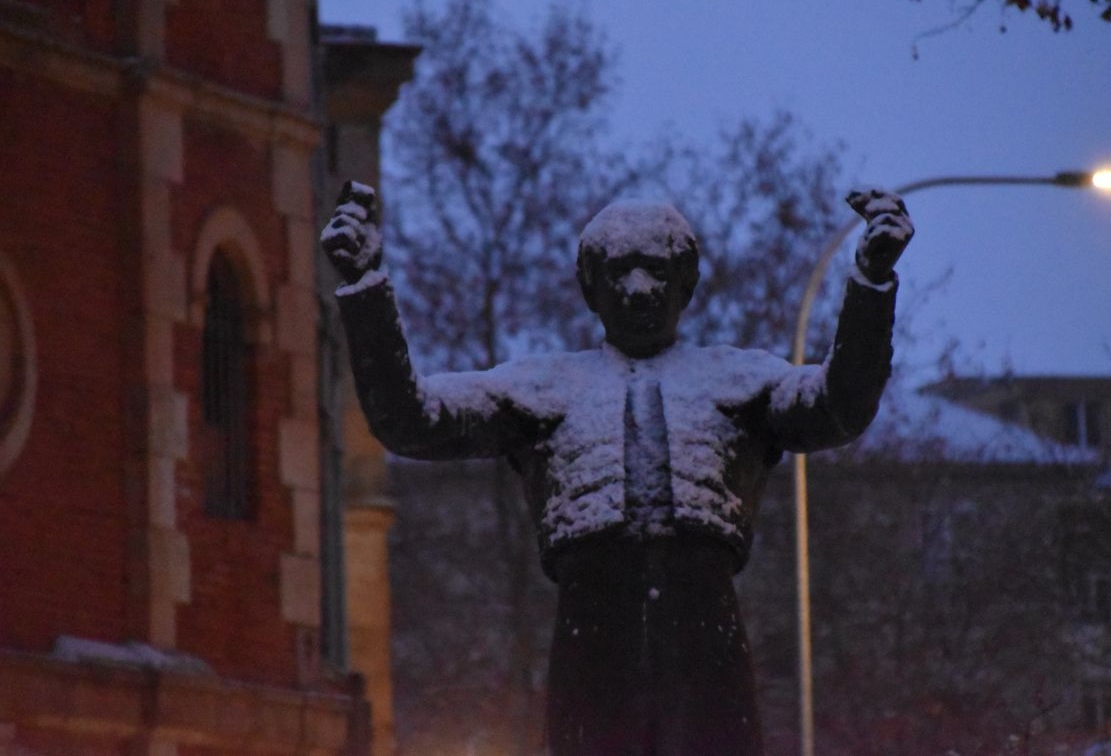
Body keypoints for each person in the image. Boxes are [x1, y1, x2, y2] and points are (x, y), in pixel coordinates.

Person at [322, 182, 913, 756]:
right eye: (619, 273)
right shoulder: (543, 389)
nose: (638, 289)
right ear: (591, 289)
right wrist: (366, 288)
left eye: (655, 271)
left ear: (685, 284)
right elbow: (412, 421)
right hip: (592, 630)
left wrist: (872, 280)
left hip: (705, 629)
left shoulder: (740, 382)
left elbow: (839, 406)